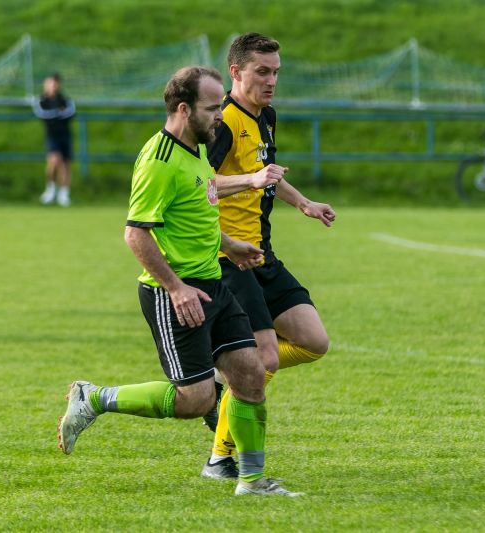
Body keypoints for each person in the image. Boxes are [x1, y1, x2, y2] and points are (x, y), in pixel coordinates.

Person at [56, 65, 302, 497]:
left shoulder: (196, 149)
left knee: (250, 374)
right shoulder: (159, 160)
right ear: (184, 109)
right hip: (174, 292)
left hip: (214, 284)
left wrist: (230, 243)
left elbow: (196, 206)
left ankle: (252, 481)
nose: (220, 116)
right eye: (212, 108)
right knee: (195, 401)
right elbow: (136, 233)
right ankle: (93, 398)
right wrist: (175, 287)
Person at [200, 33, 336, 480]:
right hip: (227, 256)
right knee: (265, 361)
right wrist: (254, 179)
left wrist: (303, 203)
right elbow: (202, 185)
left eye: (276, 71)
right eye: (262, 71)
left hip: (263, 254)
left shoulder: (267, 116)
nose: (272, 79)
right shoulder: (221, 121)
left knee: (314, 341)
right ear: (236, 72)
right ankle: (221, 457)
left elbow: (267, 175)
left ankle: (229, 376)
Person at [32, 73, 76, 207]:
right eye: (50, 83)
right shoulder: (42, 101)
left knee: (66, 165)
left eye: (55, 83)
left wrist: (58, 114)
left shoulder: (65, 100)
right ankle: (50, 189)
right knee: (54, 160)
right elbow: (43, 115)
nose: (53, 86)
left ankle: (63, 194)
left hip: (65, 135)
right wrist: (58, 113)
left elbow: (71, 112)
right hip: (52, 135)